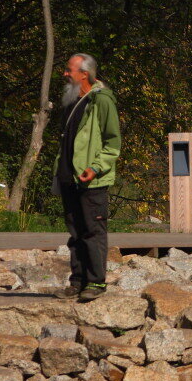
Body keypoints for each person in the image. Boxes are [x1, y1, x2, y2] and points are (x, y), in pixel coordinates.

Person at [52, 53, 121, 302]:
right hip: (69, 177)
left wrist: (95, 167)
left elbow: (113, 143)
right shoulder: (71, 101)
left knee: (93, 231)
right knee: (75, 232)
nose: (65, 74)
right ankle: (77, 281)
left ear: (85, 74)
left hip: (92, 180)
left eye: (69, 70)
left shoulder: (102, 101)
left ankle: (96, 282)